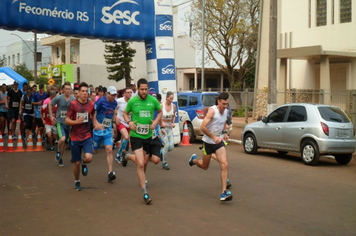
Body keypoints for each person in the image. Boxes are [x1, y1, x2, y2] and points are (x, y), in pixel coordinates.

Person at [122, 78, 162, 204]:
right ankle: (144, 192)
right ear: (137, 89)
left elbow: (160, 111)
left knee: (145, 162)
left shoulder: (153, 100)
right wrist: (129, 122)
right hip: (136, 136)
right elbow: (125, 113)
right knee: (140, 164)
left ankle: (127, 156)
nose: (144, 92)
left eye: (146, 89)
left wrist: (155, 122)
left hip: (149, 136)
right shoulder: (133, 101)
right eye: (142, 89)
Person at [188, 92, 233, 201]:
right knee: (204, 166)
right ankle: (193, 160)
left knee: (224, 164)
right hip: (208, 142)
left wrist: (225, 133)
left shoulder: (226, 111)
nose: (225, 106)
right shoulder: (212, 111)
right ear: (219, 102)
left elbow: (222, 124)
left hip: (218, 142)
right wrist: (213, 137)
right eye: (223, 103)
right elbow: (203, 127)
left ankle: (223, 193)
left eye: (227, 104)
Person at [65, 82, 95, 191]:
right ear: (78, 93)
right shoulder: (73, 104)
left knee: (89, 158)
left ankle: (84, 162)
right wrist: (76, 122)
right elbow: (67, 120)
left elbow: (93, 114)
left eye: (86, 91)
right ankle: (77, 181)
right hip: (75, 137)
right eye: (82, 91)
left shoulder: (91, 104)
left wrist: (96, 123)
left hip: (86, 135)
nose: (85, 93)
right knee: (76, 163)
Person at [92, 86, 118, 182]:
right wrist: (96, 123)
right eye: (112, 95)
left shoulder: (115, 103)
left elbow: (114, 112)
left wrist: (114, 123)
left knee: (109, 150)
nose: (113, 97)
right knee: (94, 151)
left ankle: (110, 172)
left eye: (115, 95)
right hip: (98, 130)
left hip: (107, 129)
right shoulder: (100, 101)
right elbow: (93, 111)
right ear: (108, 94)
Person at [49, 81, 75, 167]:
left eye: (69, 89)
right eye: (66, 89)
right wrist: (51, 115)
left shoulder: (73, 99)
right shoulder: (59, 98)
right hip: (60, 122)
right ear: (63, 90)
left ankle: (60, 157)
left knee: (65, 143)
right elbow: (50, 104)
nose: (68, 91)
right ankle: (58, 151)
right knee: (63, 139)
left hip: (68, 123)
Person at [114, 87, 132, 163]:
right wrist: (116, 118)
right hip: (120, 122)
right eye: (128, 92)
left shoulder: (132, 101)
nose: (130, 94)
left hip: (128, 123)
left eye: (131, 92)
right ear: (124, 93)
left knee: (123, 140)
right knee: (126, 137)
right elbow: (113, 108)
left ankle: (118, 155)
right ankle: (121, 155)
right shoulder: (119, 101)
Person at [160, 91, 176, 170]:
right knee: (166, 144)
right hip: (163, 128)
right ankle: (164, 162)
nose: (171, 100)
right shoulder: (162, 106)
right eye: (170, 98)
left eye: (172, 98)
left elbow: (174, 115)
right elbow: (158, 117)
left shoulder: (173, 106)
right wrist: (161, 125)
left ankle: (161, 152)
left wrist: (173, 123)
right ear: (166, 98)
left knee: (171, 147)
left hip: (169, 127)